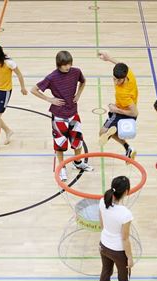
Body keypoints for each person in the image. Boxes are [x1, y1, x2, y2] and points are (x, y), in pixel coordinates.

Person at [31, 50, 93, 182]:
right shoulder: (51, 77)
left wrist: (78, 94)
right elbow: (33, 89)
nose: (68, 67)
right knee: (60, 144)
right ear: (59, 64)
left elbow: (83, 81)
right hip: (59, 116)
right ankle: (62, 167)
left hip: (73, 114)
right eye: (65, 65)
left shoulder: (76, 72)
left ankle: (77, 163)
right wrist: (49, 99)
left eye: (69, 64)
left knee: (77, 141)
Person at [99, 176, 134, 281]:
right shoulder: (125, 213)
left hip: (103, 245)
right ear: (126, 192)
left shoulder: (102, 201)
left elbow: (101, 224)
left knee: (105, 272)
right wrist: (130, 258)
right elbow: (125, 238)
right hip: (118, 251)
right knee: (124, 280)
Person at [97, 51, 138, 160]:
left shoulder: (123, 93)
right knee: (110, 133)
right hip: (125, 110)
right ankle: (127, 147)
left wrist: (115, 109)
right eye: (114, 78)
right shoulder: (128, 72)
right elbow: (121, 64)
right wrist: (108, 58)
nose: (115, 82)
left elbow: (135, 113)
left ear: (124, 78)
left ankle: (117, 135)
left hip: (124, 113)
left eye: (118, 80)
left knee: (102, 134)